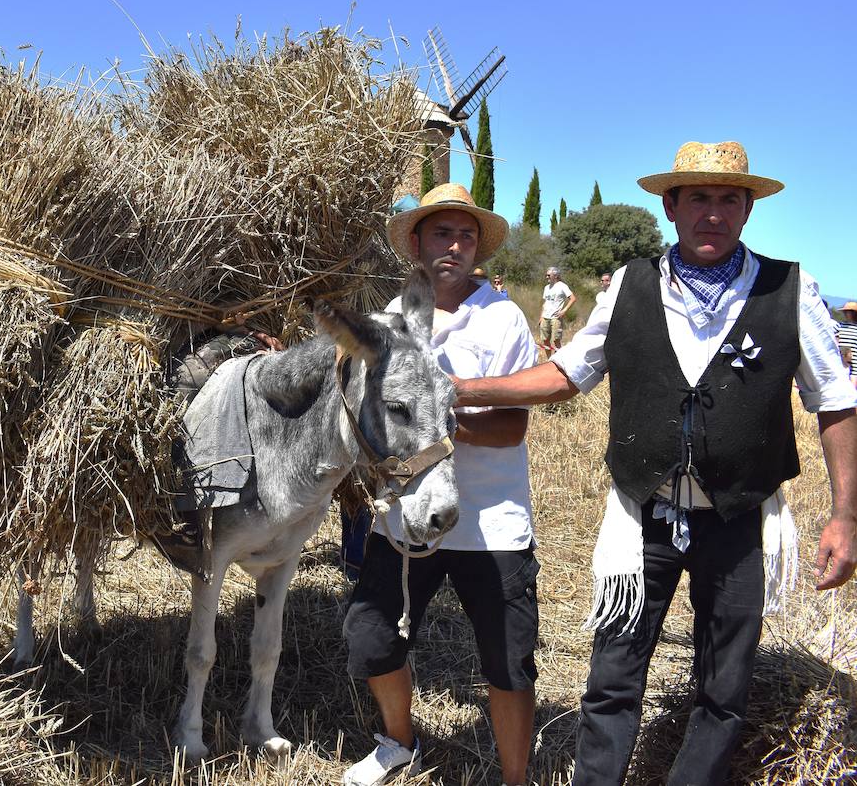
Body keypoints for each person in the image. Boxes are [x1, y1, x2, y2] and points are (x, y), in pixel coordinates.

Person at [453, 142, 857, 785]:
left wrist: (844, 515)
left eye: (729, 198)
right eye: (699, 197)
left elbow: (835, 402)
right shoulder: (628, 287)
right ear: (671, 206)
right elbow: (565, 374)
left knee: (723, 689)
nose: (714, 213)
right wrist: (462, 390)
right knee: (613, 678)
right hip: (641, 517)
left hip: (739, 519)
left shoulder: (790, 289)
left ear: (749, 210)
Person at [343, 183, 540, 786]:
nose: (454, 245)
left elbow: (511, 427)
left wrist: (432, 411)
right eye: (441, 233)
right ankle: (399, 742)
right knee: (372, 641)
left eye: (465, 235)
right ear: (416, 245)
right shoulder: (382, 325)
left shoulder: (504, 318)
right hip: (401, 521)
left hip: (491, 520)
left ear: (478, 246)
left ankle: (515, 778)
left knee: (507, 662)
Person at [538, 266, 575, 355]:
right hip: (545, 317)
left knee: (556, 340)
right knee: (545, 340)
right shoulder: (546, 287)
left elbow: (573, 298)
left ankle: (558, 361)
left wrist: (564, 311)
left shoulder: (562, 286)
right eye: (546, 275)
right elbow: (545, 303)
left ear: (555, 276)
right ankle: (549, 360)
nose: (546, 277)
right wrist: (541, 316)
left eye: (548, 275)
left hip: (556, 318)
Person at [835, 302, 857, 387]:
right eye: (846, 312)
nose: (847, 314)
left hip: (854, 356)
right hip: (841, 355)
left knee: (853, 376)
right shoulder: (840, 325)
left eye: (849, 312)